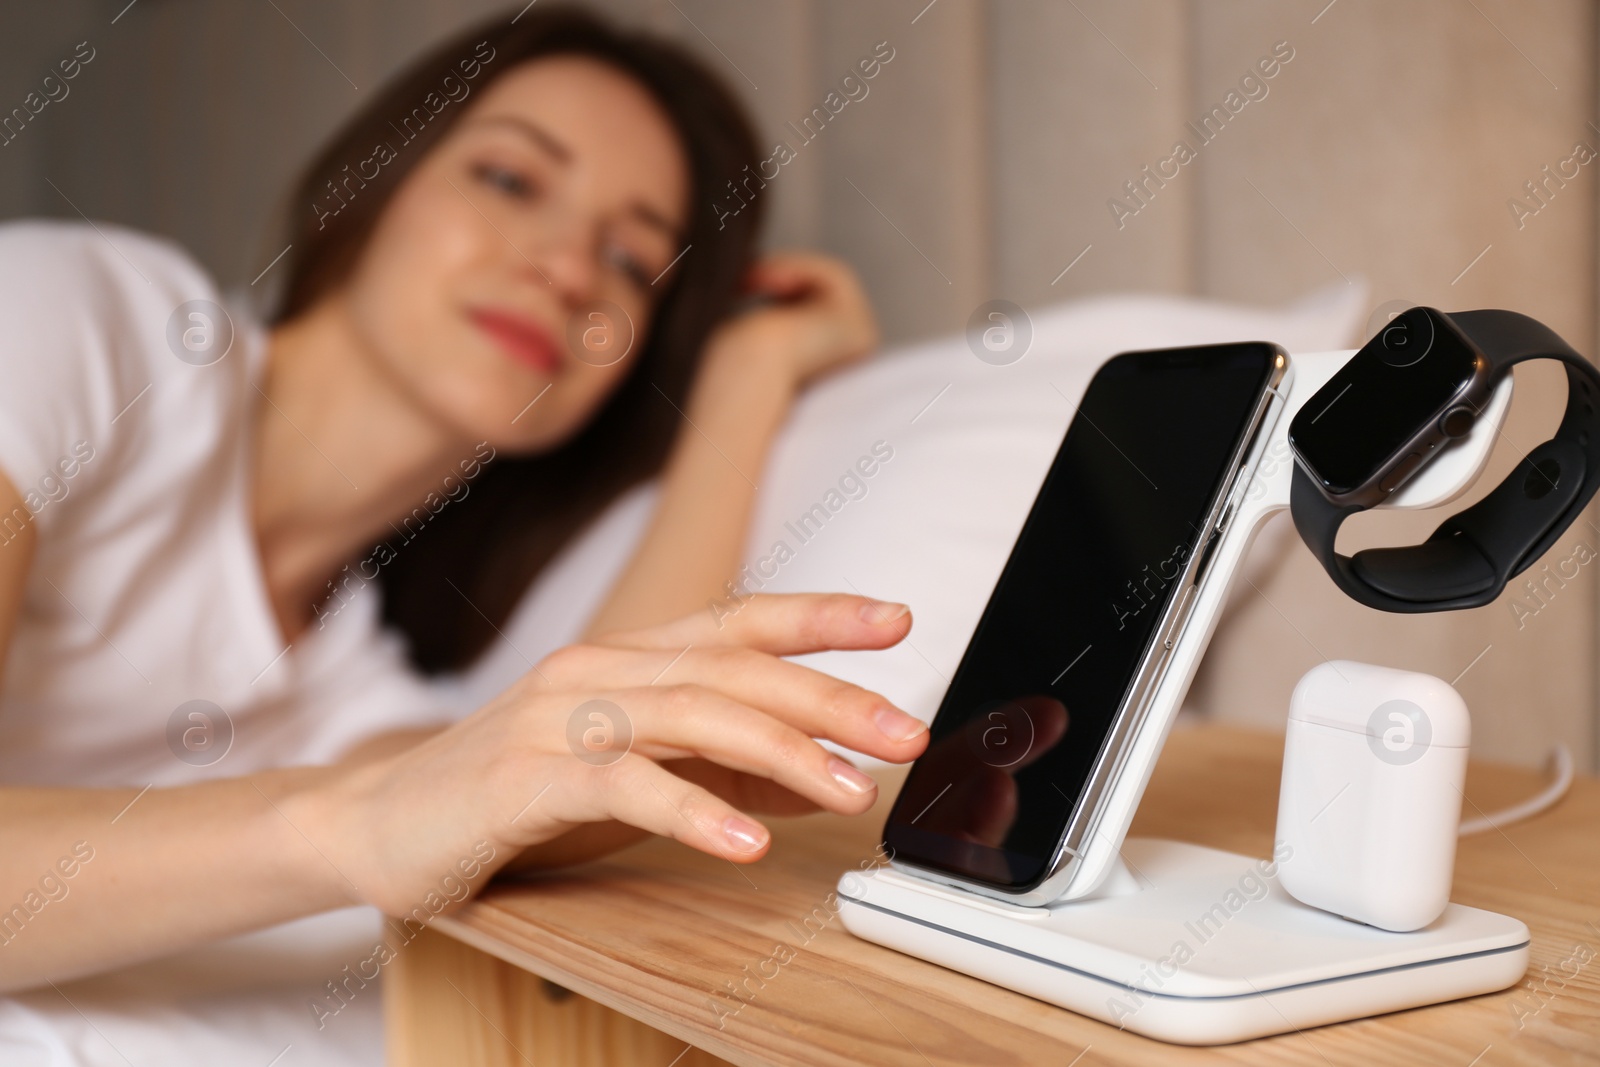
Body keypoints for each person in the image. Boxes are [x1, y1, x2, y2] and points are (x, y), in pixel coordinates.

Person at [0, 6, 927, 1061]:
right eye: (511, 180)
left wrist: (742, 382)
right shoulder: (77, 321)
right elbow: (387, 807)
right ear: (373, 187)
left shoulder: (360, 692)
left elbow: (590, 753)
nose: (567, 269)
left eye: (631, 259)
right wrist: (347, 822)